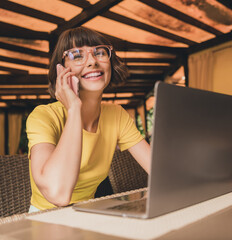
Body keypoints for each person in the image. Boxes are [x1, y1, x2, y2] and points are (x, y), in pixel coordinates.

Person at [26, 27, 151, 212]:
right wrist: (74, 108)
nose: (92, 61)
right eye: (77, 55)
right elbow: (58, 194)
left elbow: (160, 170)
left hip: (89, 214)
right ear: (61, 70)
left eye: (99, 52)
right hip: (46, 219)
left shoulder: (116, 115)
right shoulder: (43, 116)